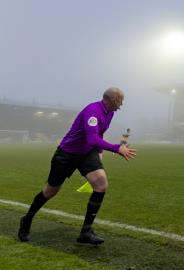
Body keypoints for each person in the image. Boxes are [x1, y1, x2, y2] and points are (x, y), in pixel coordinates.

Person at [18, 87, 136, 245]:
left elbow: (99, 134)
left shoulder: (110, 113)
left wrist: (100, 151)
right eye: (119, 100)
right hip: (67, 154)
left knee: (101, 183)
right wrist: (117, 148)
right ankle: (27, 219)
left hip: (86, 154)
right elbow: (92, 139)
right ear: (110, 99)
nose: (121, 104)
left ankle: (86, 232)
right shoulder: (92, 111)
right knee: (50, 191)